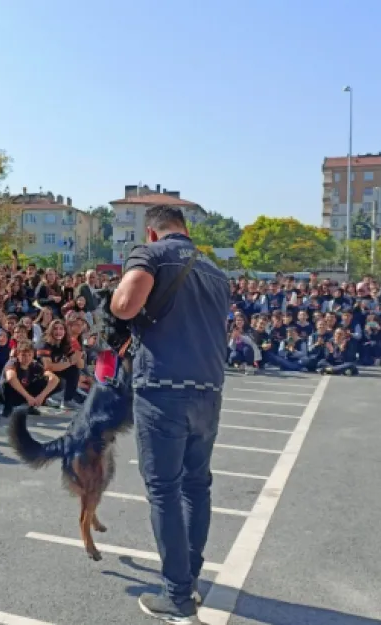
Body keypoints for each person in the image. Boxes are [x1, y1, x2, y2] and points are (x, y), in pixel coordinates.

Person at [109, 205, 229, 623]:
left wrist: (122, 307)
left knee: (163, 488)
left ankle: (176, 595)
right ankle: (190, 580)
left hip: (163, 388)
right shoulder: (215, 270)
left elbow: (124, 304)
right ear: (185, 229)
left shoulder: (152, 254)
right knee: (197, 486)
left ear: (152, 233)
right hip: (209, 388)